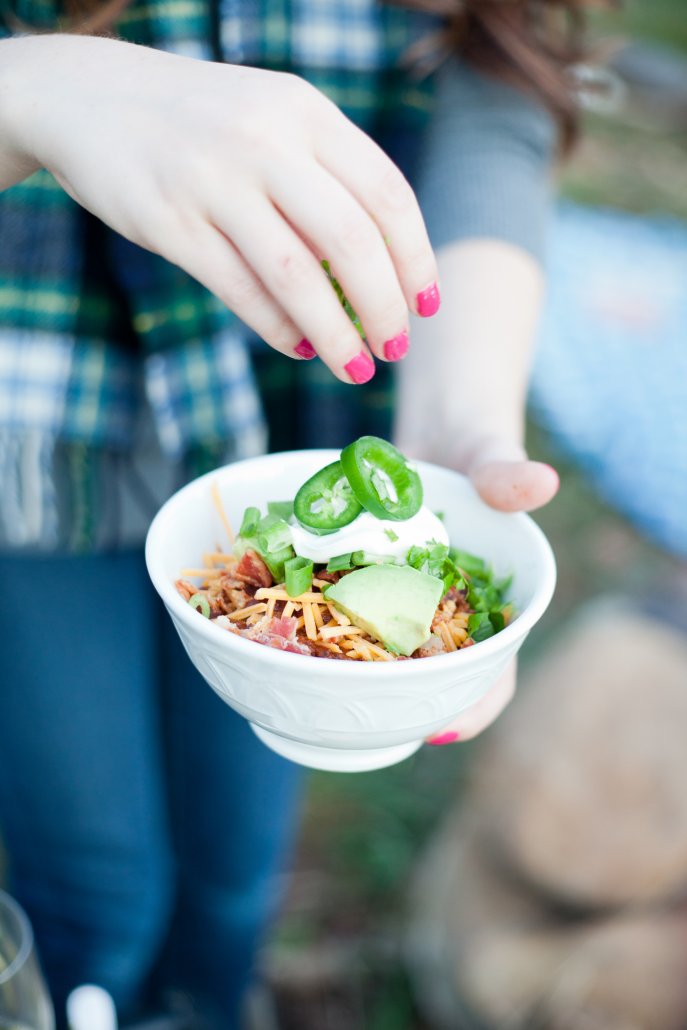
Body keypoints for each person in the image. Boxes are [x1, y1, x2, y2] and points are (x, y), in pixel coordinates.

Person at [0, 0, 575, 1025]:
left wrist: (460, 421)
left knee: (231, 879)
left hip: (294, 399)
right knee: (99, 891)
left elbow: (500, 80)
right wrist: (33, 90)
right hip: (34, 399)